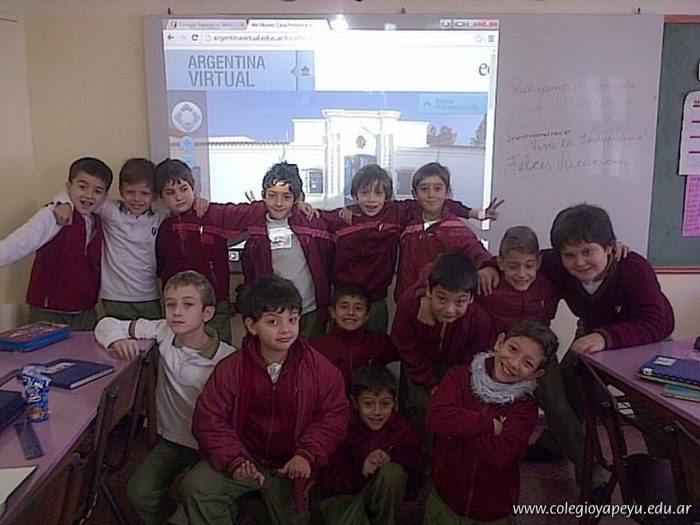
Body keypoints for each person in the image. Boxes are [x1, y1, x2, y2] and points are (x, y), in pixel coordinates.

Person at [180, 274, 348, 525]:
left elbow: (334, 416)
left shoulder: (319, 369)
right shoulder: (233, 367)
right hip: (244, 458)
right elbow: (209, 418)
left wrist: (307, 454)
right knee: (196, 487)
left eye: (292, 319)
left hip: (291, 464)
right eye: (273, 321)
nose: (286, 329)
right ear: (251, 325)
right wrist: (236, 460)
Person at [94, 270, 236, 525]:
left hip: (212, 445)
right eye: (171, 305)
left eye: (188, 305)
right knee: (139, 492)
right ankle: (173, 517)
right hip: (173, 440)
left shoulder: (228, 358)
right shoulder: (164, 330)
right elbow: (106, 324)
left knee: (199, 492)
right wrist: (116, 340)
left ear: (207, 313)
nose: (177, 312)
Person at [319, 164, 500, 331]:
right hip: (355, 297)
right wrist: (305, 205)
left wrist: (478, 218)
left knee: (379, 345)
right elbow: (318, 218)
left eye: (378, 193)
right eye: (365, 193)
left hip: (403, 301)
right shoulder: (404, 220)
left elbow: (450, 212)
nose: (371, 199)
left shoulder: (401, 214)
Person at [541, 203, 675, 411]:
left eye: (588, 252)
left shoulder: (634, 268)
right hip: (594, 333)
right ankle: (582, 431)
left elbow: (654, 324)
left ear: (609, 247)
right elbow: (517, 258)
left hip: (649, 340)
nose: (579, 262)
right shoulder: (556, 264)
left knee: (649, 405)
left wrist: (605, 337)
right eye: (569, 255)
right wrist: (491, 267)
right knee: (569, 386)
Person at [425, 321, 559, 525]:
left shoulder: (525, 406)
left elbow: (502, 455)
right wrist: (488, 425)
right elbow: (435, 418)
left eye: (528, 363)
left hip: (493, 510)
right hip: (445, 498)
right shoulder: (459, 376)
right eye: (513, 349)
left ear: (536, 374)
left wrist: (456, 430)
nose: (514, 363)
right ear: (500, 342)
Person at [155, 158, 267, 343]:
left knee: (219, 351)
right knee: (182, 351)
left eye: (184, 189)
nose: (179, 197)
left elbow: (252, 213)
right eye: (170, 192)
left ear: (194, 188)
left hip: (215, 304)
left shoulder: (212, 215)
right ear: (161, 197)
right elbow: (162, 270)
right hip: (180, 307)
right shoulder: (164, 227)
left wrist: (297, 202)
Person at [391, 252, 494, 451]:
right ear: (428, 290)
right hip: (418, 365)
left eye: (459, 301)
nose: (449, 309)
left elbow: (475, 358)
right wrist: (430, 383)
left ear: (471, 298)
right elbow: (405, 344)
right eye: (442, 298)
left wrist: (450, 384)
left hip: (457, 368)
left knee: (452, 406)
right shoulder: (410, 303)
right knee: (420, 405)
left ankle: (447, 453)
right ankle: (418, 453)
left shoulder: (480, 320)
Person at [0, 157, 112, 330]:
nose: (89, 195)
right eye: (82, 187)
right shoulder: (55, 214)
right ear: (69, 187)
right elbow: (20, 242)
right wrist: (62, 201)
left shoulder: (99, 221)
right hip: (49, 312)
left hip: (85, 313)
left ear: (105, 197)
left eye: (97, 191)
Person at [53, 158, 169, 320]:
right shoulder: (110, 210)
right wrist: (63, 203)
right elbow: (72, 194)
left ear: (155, 196)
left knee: (153, 334)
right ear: (121, 191)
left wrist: (200, 202)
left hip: (149, 294)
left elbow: (182, 206)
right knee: (118, 335)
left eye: (144, 194)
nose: (136, 199)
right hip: (115, 296)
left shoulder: (160, 216)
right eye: (130, 192)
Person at [237, 162, 334, 338]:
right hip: (273, 312)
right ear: (263, 196)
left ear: (296, 198)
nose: (279, 203)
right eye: (272, 195)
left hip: (309, 310)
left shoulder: (309, 221)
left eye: (286, 196)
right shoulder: (255, 228)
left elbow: (327, 256)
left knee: (309, 353)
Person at [318, 364, 423, 525]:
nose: (377, 412)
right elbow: (328, 481)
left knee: (392, 473)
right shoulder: (342, 428)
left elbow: (417, 466)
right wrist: (361, 470)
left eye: (385, 404)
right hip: (345, 499)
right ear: (354, 402)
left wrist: (391, 457)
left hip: (382, 499)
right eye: (368, 404)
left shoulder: (400, 427)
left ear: (394, 402)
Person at [394, 162, 498, 303]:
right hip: (408, 301)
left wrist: (488, 266)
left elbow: (475, 249)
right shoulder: (407, 225)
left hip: (443, 304)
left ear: (447, 193)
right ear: (415, 194)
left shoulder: (456, 230)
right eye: (424, 189)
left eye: (437, 189)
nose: (431, 195)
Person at [312, 283, 398, 391]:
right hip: (332, 400)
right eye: (344, 307)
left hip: (367, 400)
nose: (351, 312)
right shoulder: (318, 348)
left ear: (367, 315)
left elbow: (404, 349)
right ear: (332, 312)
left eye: (358, 308)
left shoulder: (378, 342)